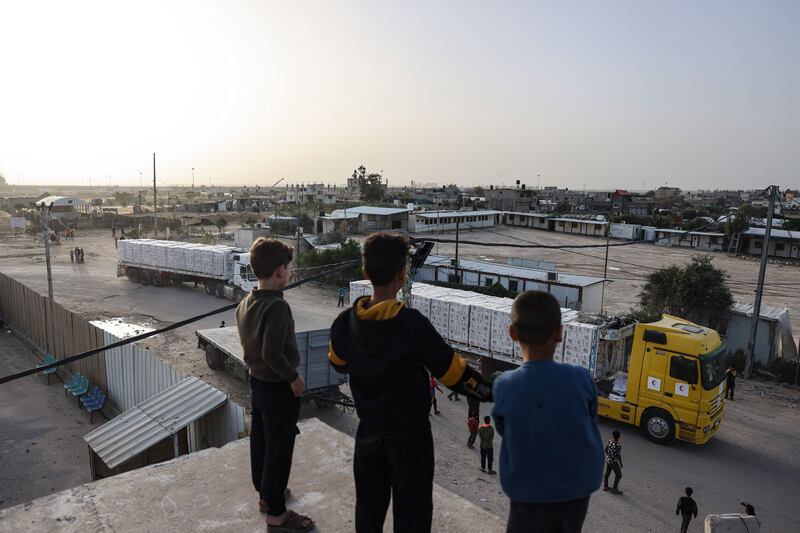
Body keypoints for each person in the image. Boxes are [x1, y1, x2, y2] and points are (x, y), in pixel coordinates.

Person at [328, 232, 493, 533]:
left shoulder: (343, 324)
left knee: (368, 510)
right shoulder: (412, 325)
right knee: (413, 514)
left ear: (365, 273)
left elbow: (336, 362)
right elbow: (455, 374)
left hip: (368, 434)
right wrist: (488, 390)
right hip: (410, 441)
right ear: (403, 275)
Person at [493, 290, 604, 533]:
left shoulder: (505, 385)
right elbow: (589, 418)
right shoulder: (581, 378)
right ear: (559, 333)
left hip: (528, 493)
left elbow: (504, 428)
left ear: (512, 333)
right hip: (577, 490)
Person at [235, 237, 314, 532]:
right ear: (280, 271)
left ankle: (266, 496)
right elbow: (272, 352)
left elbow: (256, 349)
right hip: (277, 386)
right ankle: (277, 513)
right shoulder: (278, 307)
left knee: (261, 443)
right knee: (279, 450)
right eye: (289, 268)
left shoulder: (247, 301)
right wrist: (293, 378)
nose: (290, 273)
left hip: (257, 384)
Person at [603, 430, 623, 495]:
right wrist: (621, 463)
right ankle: (615, 488)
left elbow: (606, 449)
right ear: (619, 437)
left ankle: (605, 486)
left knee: (607, 473)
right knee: (619, 475)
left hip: (608, 460)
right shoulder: (618, 445)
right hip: (613, 462)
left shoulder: (610, 441)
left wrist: (609, 456)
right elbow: (618, 455)